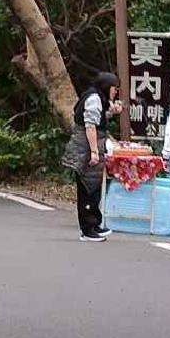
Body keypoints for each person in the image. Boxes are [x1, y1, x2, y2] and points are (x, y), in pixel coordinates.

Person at [66, 71, 121, 242]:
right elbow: (90, 126)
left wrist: (111, 112)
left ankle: (95, 223)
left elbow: (98, 120)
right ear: (106, 86)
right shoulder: (94, 99)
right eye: (114, 88)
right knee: (87, 188)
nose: (115, 92)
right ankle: (87, 229)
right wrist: (94, 151)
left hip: (92, 146)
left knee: (94, 186)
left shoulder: (97, 98)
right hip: (86, 148)